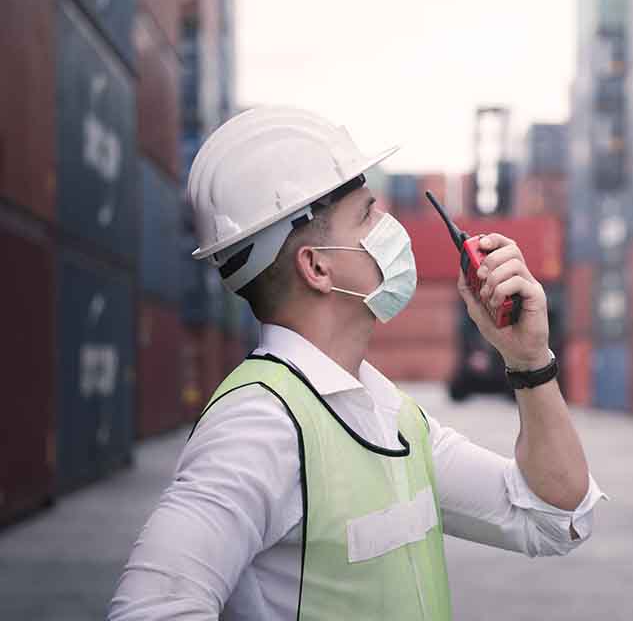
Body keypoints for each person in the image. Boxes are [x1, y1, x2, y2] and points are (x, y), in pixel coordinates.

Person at [108, 107, 605, 620]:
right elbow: (149, 609)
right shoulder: (258, 426)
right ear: (317, 266)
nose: (389, 225)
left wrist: (528, 361)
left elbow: (553, 514)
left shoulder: (389, 414)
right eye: (368, 213)